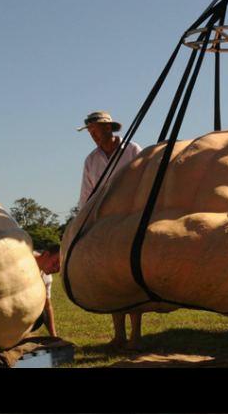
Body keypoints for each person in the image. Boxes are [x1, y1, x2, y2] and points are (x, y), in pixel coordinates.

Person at [76, 110, 145, 350]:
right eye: (90, 133)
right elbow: (86, 195)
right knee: (112, 278)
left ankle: (136, 336)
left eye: (95, 131)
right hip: (104, 222)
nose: (93, 136)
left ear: (108, 128)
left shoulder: (133, 150)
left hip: (131, 217)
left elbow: (145, 179)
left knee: (130, 276)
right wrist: (81, 223)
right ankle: (119, 336)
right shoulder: (91, 161)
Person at [32, 239, 61, 338]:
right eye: (56, 262)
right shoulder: (25, 258)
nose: (57, 268)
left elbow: (47, 306)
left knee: (41, 315)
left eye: (60, 267)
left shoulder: (47, 278)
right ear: (46, 254)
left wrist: (54, 337)